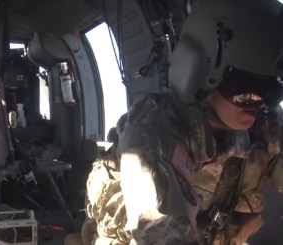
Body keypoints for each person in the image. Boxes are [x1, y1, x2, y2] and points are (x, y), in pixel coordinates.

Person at [65, 0, 283, 244]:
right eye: (247, 92)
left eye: (273, 91)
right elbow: (163, 233)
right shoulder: (154, 129)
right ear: (202, 74)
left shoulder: (265, 125)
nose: (259, 104)